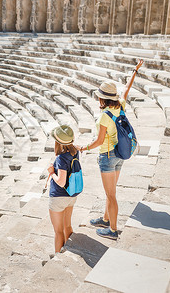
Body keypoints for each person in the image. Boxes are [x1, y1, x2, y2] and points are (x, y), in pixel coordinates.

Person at [77, 60, 144, 240]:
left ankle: (113, 230)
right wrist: (134, 71)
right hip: (120, 153)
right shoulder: (120, 105)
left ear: (102, 98)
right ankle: (106, 219)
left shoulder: (104, 117)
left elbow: (99, 141)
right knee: (111, 191)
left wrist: (83, 147)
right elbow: (126, 90)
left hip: (107, 156)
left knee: (111, 195)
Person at [47, 125, 81, 253]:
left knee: (58, 231)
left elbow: (61, 182)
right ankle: (69, 250)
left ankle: (57, 256)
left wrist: (51, 172)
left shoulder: (61, 159)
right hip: (71, 196)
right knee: (67, 226)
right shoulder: (75, 151)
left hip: (59, 197)